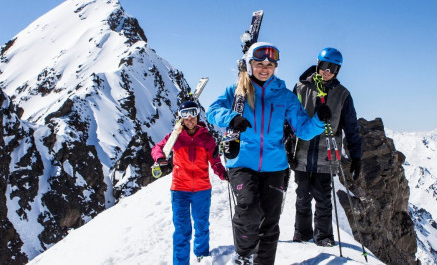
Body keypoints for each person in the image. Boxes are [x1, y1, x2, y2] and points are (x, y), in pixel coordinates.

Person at [207, 42, 328, 265]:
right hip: (242, 161)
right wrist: (231, 118)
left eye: (270, 64)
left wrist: (320, 120)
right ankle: (243, 254)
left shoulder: (285, 96)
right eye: (259, 63)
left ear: (275, 67)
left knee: (270, 222)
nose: (265, 68)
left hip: (275, 165)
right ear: (250, 65)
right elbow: (212, 112)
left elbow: (303, 129)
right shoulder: (236, 91)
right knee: (249, 207)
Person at [286, 47, 363, 247]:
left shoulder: (342, 95)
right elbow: (289, 120)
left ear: (338, 70)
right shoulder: (301, 88)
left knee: (323, 198)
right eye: (325, 66)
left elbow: (351, 128)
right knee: (302, 196)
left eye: (333, 67)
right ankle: (302, 235)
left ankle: (324, 237)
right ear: (318, 64)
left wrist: (356, 156)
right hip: (301, 153)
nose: (328, 71)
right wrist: (288, 149)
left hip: (326, 154)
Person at [151, 101, 228, 264]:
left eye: (193, 114)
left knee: (201, 227)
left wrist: (224, 175)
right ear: (181, 118)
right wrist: (160, 159)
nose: (190, 119)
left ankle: (202, 256)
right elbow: (157, 148)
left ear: (198, 115)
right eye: (185, 115)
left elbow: (215, 162)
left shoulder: (207, 139)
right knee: (182, 231)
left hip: (202, 190)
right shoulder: (175, 137)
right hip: (180, 190)